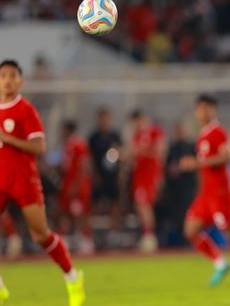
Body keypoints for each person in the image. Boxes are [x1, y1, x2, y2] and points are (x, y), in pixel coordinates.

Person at [0, 60, 84, 306]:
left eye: (13, 75)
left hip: (23, 180)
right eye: (3, 75)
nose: (7, 80)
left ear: (21, 82)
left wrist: (5, 137)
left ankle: (72, 278)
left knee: (40, 235)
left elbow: (39, 147)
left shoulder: (25, 110)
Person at [179, 95, 230, 287]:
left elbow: (227, 156)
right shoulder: (202, 135)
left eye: (205, 108)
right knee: (190, 230)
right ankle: (220, 263)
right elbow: (204, 168)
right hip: (206, 194)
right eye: (199, 109)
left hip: (220, 192)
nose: (202, 113)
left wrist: (197, 163)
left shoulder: (218, 132)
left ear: (213, 110)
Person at [129, 109, 165, 252]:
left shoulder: (155, 132)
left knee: (144, 205)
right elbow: (133, 154)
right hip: (139, 175)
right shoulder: (136, 135)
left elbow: (160, 152)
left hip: (149, 175)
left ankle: (150, 237)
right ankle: (147, 235)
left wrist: (142, 151)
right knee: (141, 205)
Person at [87, 107, 123, 247]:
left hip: (112, 177)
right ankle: (88, 235)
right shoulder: (94, 137)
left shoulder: (115, 136)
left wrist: (120, 174)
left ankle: (113, 234)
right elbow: (89, 158)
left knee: (115, 204)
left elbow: (121, 153)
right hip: (98, 176)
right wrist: (94, 175)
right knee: (94, 205)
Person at [58, 120, 94, 255]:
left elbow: (83, 166)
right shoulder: (67, 145)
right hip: (68, 184)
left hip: (78, 186)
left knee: (80, 213)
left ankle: (86, 239)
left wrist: (77, 185)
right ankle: (67, 238)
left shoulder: (79, 145)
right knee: (66, 212)